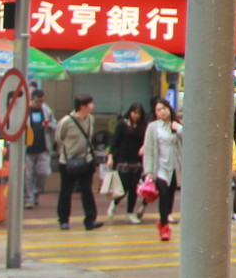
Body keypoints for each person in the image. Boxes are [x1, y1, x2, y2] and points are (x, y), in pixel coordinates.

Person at [52, 94, 101, 231]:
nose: (93, 106)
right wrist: (68, 153)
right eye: (90, 103)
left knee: (87, 190)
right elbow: (59, 139)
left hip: (86, 160)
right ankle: (63, 220)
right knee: (66, 191)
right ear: (83, 106)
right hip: (68, 162)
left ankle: (90, 220)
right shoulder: (66, 121)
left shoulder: (91, 119)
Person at [144, 99, 182, 242]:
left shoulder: (176, 125)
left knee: (171, 194)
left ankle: (163, 220)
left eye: (164, 108)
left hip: (173, 166)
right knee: (164, 194)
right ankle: (164, 226)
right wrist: (148, 171)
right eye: (158, 110)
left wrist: (179, 129)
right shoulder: (153, 127)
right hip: (159, 167)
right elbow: (148, 150)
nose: (162, 112)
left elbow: (187, 141)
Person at [108, 102, 148, 221]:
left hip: (136, 160)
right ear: (130, 112)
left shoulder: (143, 126)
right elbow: (115, 141)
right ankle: (114, 204)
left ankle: (130, 212)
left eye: (138, 113)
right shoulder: (122, 124)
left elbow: (145, 140)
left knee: (134, 187)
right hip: (123, 159)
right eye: (134, 112)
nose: (136, 115)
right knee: (123, 186)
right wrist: (111, 156)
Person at [24, 88, 54, 209]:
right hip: (28, 149)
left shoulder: (46, 110)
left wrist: (49, 125)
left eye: (42, 101)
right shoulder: (24, 111)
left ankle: (36, 192)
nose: (40, 104)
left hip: (43, 147)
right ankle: (29, 198)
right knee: (27, 175)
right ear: (31, 100)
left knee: (45, 173)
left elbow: (54, 123)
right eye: (37, 101)